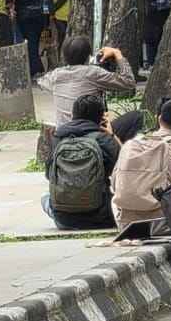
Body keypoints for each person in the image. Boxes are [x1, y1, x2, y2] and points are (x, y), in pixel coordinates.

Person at [112, 97, 171, 231]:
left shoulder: (132, 145)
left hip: (126, 223)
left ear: (159, 119)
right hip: (165, 223)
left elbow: (115, 184)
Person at [43, 95, 120, 230]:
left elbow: (49, 175)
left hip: (63, 219)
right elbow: (122, 171)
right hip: (102, 217)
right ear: (101, 116)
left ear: (73, 114)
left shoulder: (58, 137)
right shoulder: (103, 139)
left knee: (45, 199)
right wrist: (112, 135)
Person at [37, 35, 136, 126]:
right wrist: (117, 53)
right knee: (136, 117)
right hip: (90, 133)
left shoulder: (56, 75)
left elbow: (41, 82)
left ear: (64, 56)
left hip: (63, 132)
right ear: (88, 57)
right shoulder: (93, 73)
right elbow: (128, 82)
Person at [12, 0, 46, 78]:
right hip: (37, 14)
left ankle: (33, 67)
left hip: (22, 15)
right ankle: (36, 65)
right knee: (34, 41)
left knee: (26, 41)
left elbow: (13, 0)